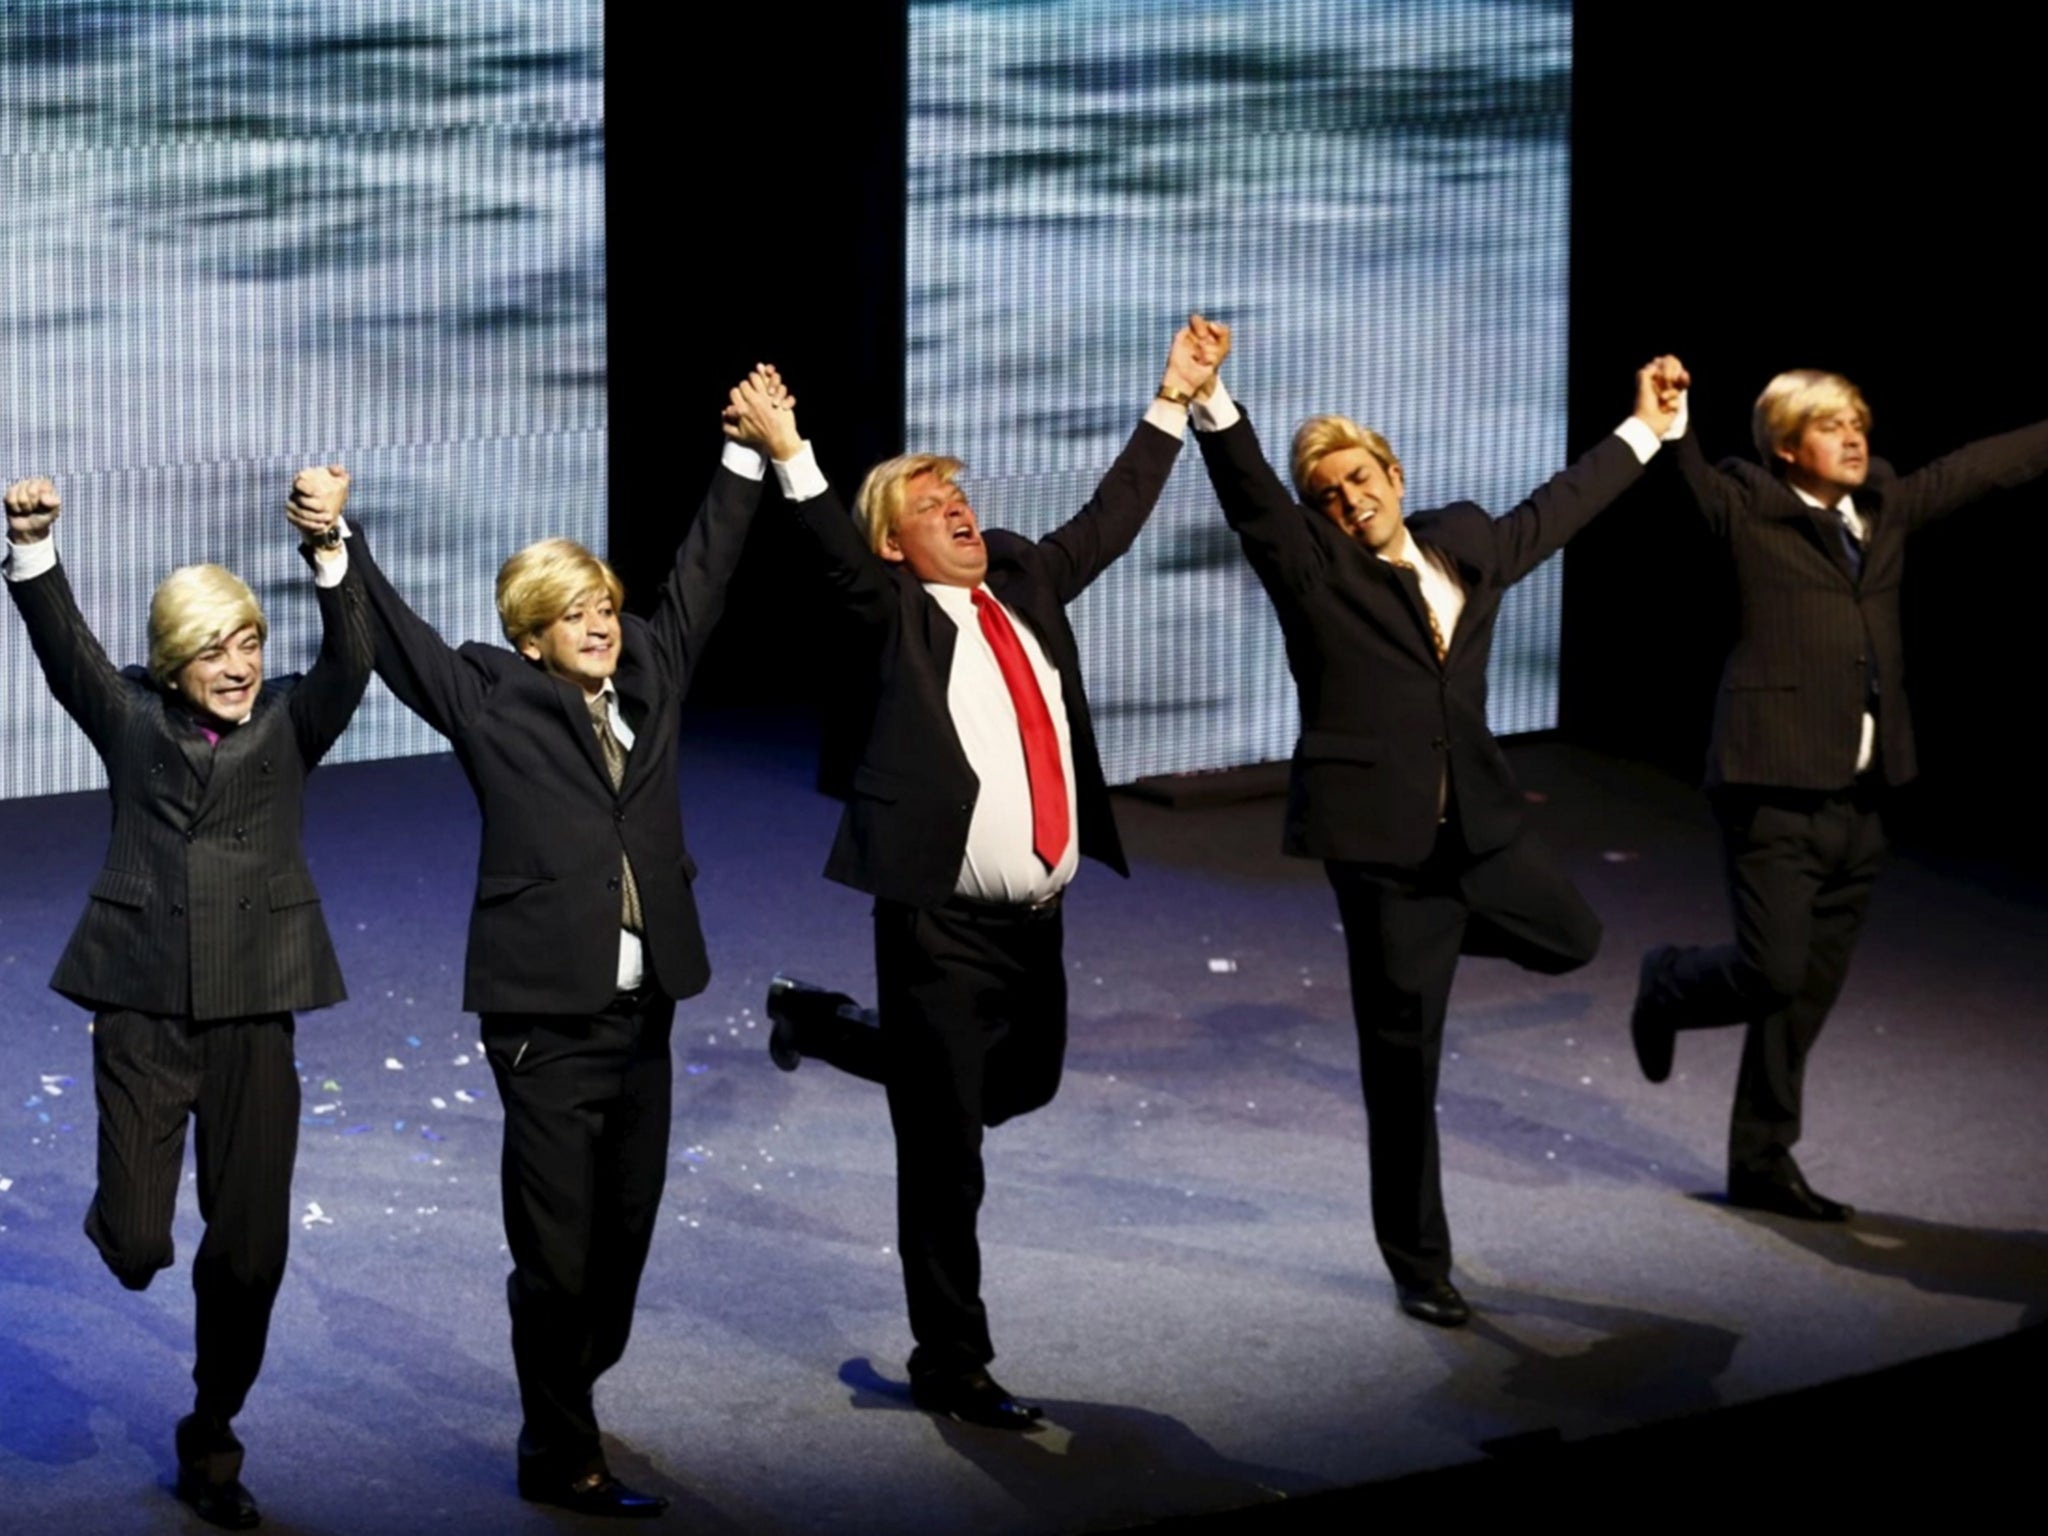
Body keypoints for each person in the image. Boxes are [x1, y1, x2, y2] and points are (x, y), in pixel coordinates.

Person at [284, 395, 764, 1517]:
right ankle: (559, 1451)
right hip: (544, 1019)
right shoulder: (491, 696)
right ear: (528, 634)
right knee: (555, 1251)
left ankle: (566, 1386)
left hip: (648, 1009)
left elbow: (706, 569)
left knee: (623, 1240)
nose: (599, 623)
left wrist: (744, 453)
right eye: (572, 612)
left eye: (603, 604)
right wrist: (331, 544)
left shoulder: (649, 671)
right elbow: (395, 638)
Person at [746, 324, 1216, 1428]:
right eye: (927, 506)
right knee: (945, 1151)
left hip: (1039, 920)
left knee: (1020, 1087)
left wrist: (1170, 403)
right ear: (896, 548)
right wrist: (790, 452)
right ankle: (949, 1362)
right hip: (940, 929)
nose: (955, 509)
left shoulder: (1024, 584)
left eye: (957, 494)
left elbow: (1109, 518)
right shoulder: (894, 617)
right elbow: (831, 549)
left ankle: (816, 1025)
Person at [1188, 318, 1686, 1326]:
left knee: (1572, 939)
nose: (1347, 498)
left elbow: (1559, 508)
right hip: (1384, 856)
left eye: (1359, 476)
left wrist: (1644, 429)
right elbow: (1252, 507)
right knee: (1401, 1065)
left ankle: (1449, 941)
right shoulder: (1313, 574)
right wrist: (1210, 406)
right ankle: (1419, 1266)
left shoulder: (1462, 541)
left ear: (1393, 472)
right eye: (1327, 493)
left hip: (1482, 830)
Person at [3, 467, 371, 1529]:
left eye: (249, 644)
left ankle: (212, 1435)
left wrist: (328, 545)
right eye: (214, 648)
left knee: (251, 1252)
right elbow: (62, 644)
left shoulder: (293, 723)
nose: (239, 667)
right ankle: (125, 1218)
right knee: (135, 1247)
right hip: (144, 1004)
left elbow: (353, 656)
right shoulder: (129, 716)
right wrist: (31, 543)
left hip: (257, 1009)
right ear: (174, 660)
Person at [1629, 370, 2048, 1220]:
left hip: (1862, 795)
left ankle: (1761, 1160)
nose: (1856, 438)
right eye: (1831, 426)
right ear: (1788, 446)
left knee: (1807, 988)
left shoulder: (1884, 507)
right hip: (1772, 786)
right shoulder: (1750, 506)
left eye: (1859, 421)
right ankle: (1670, 982)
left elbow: (1978, 467)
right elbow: (1691, 480)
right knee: (1772, 969)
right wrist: (1670, 424)